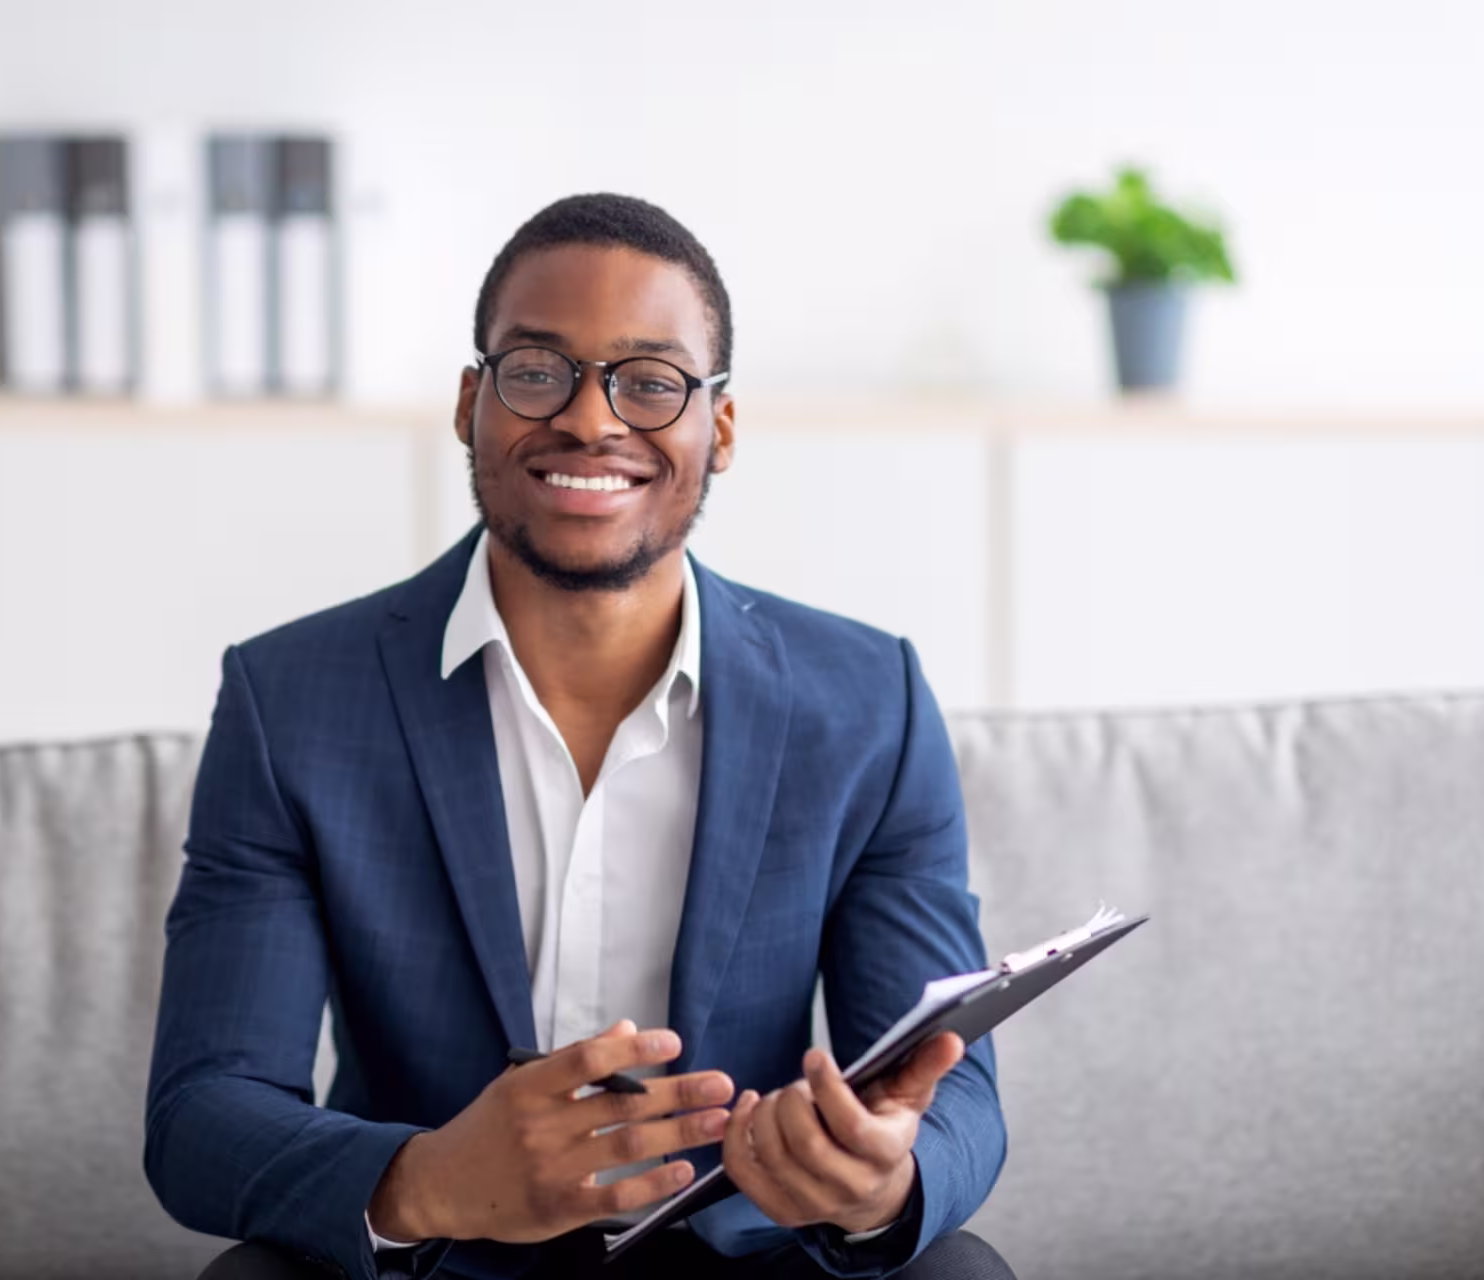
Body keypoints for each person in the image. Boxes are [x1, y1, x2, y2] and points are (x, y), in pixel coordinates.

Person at [145, 193, 1013, 1280]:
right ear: (471, 403)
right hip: (440, 1256)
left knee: (954, 1269)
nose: (593, 421)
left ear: (721, 428)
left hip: (744, 1254)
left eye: (650, 381)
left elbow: (958, 1094)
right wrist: (427, 1177)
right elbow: (203, 1110)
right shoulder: (292, 699)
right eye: (538, 370)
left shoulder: (866, 699)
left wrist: (880, 1176)